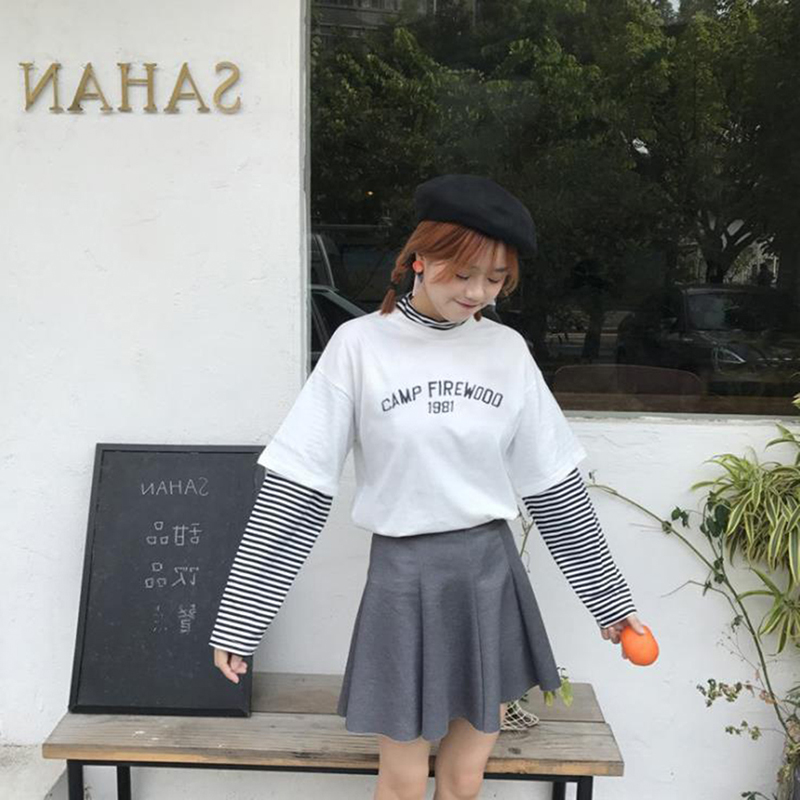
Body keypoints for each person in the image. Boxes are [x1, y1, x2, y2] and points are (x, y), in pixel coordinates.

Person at [209, 174, 647, 800]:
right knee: (403, 782)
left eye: (495, 279)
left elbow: (554, 488)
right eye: (463, 273)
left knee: (465, 780)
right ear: (420, 257)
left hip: (490, 575)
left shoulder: (507, 351)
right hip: (402, 579)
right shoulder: (359, 346)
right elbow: (297, 490)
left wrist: (610, 602)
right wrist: (242, 620)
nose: (477, 293)